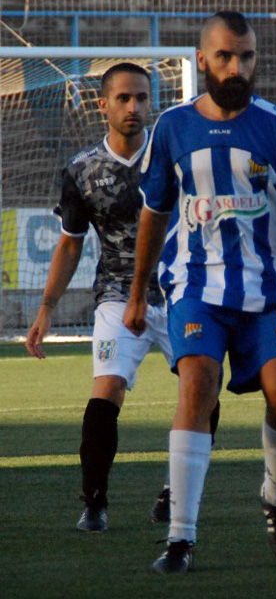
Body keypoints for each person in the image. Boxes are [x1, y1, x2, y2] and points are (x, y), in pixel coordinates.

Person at [123, 11, 276, 573]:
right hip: (196, 287)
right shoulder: (171, 128)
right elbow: (153, 213)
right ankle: (180, 537)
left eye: (246, 56)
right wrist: (136, 290)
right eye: (224, 56)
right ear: (202, 60)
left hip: (269, 291)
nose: (237, 67)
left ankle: (275, 497)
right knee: (198, 384)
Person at [24, 63, 217, 533]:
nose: (134, 107)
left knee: (203, 393)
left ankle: (175, 490)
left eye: (143, 98)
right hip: (115, 295)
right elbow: (70, 243)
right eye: (124, 98)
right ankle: (95, 502)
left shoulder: (177, 157)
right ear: (103, 104)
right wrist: (46, 308)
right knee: (106, 388)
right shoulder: (81, 170)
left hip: (182, 292)